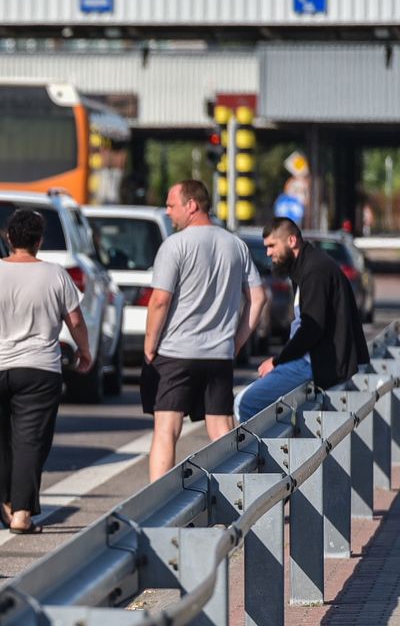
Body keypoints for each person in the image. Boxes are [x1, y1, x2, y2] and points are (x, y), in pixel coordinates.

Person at [0, 208, 92, 535]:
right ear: (39, 240)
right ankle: (21, 513)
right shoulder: (55, 275)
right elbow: (74, 320)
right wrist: (85, 351)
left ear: (8, 237)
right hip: (39, 370)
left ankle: (8, 504)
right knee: (31, 443)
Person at [142, 180, 267, 481]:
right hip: (219, 354)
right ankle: (239, 494)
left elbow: (160, 300)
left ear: (192, 205)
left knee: (167, 429)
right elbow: (259, 297)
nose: (168, 212)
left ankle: (158, 509)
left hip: (175, 353)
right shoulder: (235, 244)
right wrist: (235, 343)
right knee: (221, 428)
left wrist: (150, 344)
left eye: (172, 205)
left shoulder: (175, 245)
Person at [236, 218, 369, 421]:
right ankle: (281, 449)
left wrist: (278, 361)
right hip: (313, 361)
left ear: (291, 241)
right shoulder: (306, 266)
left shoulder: (315, 271)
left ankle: (271, 453)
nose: (269, 253)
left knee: (246, 402)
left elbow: (311, 328)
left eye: (272, 246)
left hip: (314, 363)